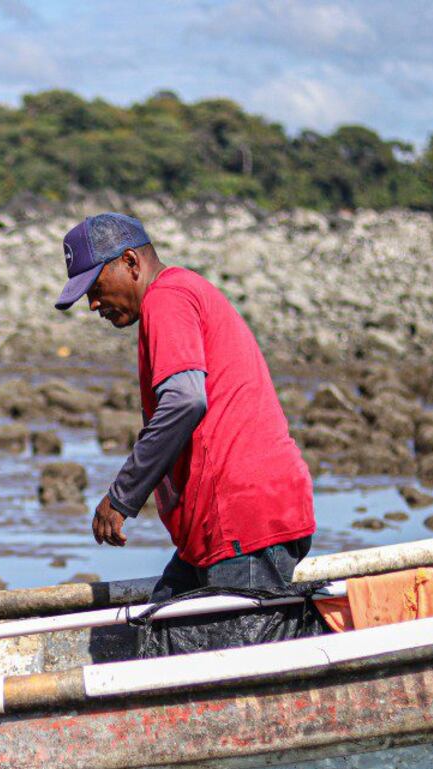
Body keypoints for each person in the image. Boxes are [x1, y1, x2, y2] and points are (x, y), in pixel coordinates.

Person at [54, 212, 319, 656]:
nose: (93, 305)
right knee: (157, 633)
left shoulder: (167, 298)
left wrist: (122, 497)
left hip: (243, 522)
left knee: (235, 671)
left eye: (96, 289)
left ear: (131, 262)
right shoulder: (175, 297)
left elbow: (184, 401)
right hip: (217, 529)